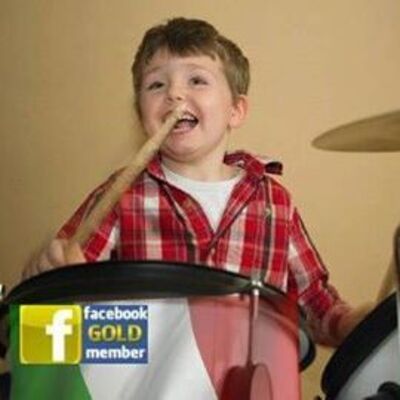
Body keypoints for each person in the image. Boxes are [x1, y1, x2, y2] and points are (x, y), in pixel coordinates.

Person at [23, 17, 370, 347]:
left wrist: (356, 323)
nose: (174, 94)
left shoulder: (274, 202)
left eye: (197, 81)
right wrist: (48, 278)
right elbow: (49, 320)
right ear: (141, 116)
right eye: (156, 84)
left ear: (236, 110)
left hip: (249, 378)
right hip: (147, 377)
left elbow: (317, 305)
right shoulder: (121, 196)